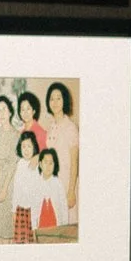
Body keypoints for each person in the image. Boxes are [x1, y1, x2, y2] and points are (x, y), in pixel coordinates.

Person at [43, 79, 79, 218]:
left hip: (66, 183)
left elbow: (74, 163)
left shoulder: (71, 127)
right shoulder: (50, 127)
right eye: (52, 99)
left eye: (59, 98)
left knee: (67, 221)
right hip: (52, 183)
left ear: (64, 100)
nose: (55, 102)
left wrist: (71, 191)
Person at [9, 125, 43, 243]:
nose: (26, 150)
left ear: (34, 147)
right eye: (23, 146)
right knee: (20, 242)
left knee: (33, 241)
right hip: (20, 209)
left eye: (29, 146)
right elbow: (16, 188)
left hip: (33, 209)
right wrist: (14, 210)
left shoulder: (37, 165)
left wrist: (36, 217)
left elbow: (38, 191)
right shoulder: (20, 164)